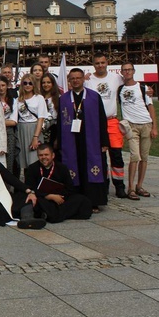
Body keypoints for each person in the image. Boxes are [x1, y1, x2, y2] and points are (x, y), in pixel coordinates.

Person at [57, 68, 108, 212]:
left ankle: (93, 201)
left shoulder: (94, 96)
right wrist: (60, 142)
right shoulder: (64, 99)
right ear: (69, 80)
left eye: (78, 78)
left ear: (83, 79)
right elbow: (60, 122)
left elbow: (102, 119)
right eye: (72, 78)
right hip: (71, 140)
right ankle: (75, 200)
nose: (75, 81)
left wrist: (104, 142)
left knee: (90, 168)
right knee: (74, 167)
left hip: (91, 139)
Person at [85, 53, 128, 198]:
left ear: (107, 63)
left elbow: (129, 85)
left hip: (111, 121)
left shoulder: (116, 78)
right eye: (97, 63)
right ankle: (103, 184)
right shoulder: (88, 80)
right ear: (93, 64)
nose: (100, 65)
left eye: (102, 62)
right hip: (95, 123)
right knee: (99, 156)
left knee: (116, 155)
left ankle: (119, 185)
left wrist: (147, 90)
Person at [118, 62, 158, 200]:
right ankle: (130, 188)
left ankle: (139, 185)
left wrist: (154, 127)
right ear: (121, 72)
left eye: (129, 70)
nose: (127, 72)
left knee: (144, 157)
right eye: (125, 70)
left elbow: (150, 106)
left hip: (146, 123)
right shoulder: (120, 89)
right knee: (135, 156)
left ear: (133, 71)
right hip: (131, 126)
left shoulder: (142, 87)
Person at [24, 144, 92, 223]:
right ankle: (55, 215)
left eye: (46, 155)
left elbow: (70, 188)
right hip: (42, 198)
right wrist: (48, 196)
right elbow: (29, 188)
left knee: (83, 200)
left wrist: (59, 196)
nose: (43, 158)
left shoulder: (62, 168)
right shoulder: (32, 168)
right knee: (33, 201)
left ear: (53, 155)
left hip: (60, 199)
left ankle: (49, 215)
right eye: (40, 155)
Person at [14, 73, 47, 174]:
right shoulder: (18, 99)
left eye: (30, 83)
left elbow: (41, 118)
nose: (27, 85)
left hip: (34, 128)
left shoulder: (39, 98)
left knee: (34, 159)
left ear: (34, 85)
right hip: (21, 129)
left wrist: (35, 137)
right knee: (22, 161)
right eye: (25, 83)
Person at [0, 75, 19, 174]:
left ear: (7, 85)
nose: (1, 88)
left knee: (10, 160)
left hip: (9, 133)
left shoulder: (13, 100)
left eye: (3, 85)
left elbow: (13, 121)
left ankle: (10, 187)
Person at [40, 73, 60, 148]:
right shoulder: (38, 97)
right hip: (41, 130)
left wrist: (57, 138)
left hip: (53, 130)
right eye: (43, 82)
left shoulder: (59, 98)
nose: (46, 85)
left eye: (48, 82)